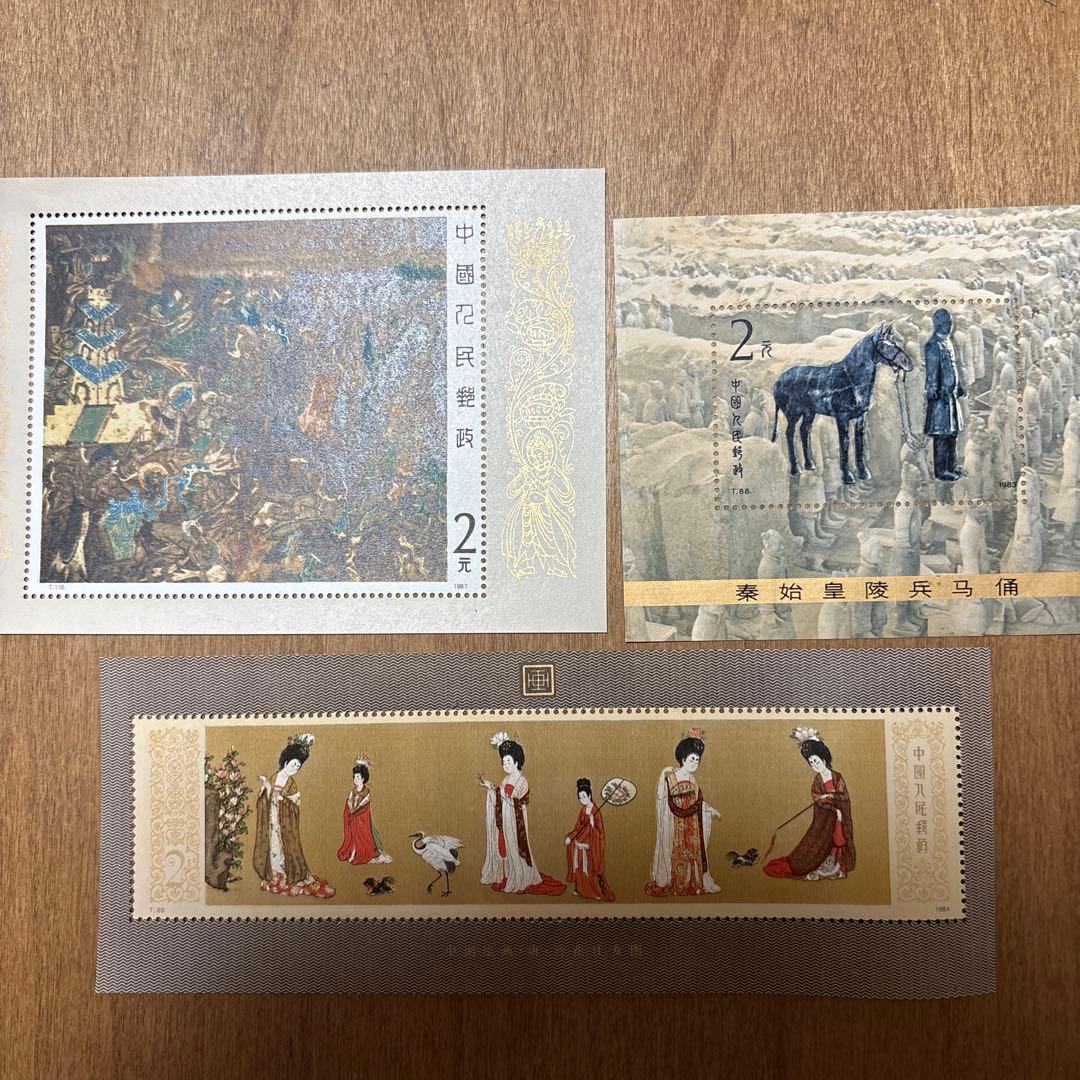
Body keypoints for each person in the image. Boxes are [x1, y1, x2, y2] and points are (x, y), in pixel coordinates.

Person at [479, 733, 566, 895]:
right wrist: (491, 788)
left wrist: (504, 794)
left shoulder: (522, 780)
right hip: (505, 818)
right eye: (503, 762)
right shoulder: (506, 779)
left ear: (516, 762)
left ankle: (520, 877)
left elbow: (515, 798)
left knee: (515, 846)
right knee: (505, 846)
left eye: (508, 761)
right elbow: (502, 794)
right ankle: (507, 874)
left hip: (515, 820)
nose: (506, 765)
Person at [764, 728, 855, 880]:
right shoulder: (817, 780)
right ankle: (817, 867)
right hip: (825, 820)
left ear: (824, 760)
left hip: (839, 817)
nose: (815, 765)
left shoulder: (836, 777)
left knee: (839, 840)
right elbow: (816, 796)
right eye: (811, 763)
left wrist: (832, 798)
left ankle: (838, 867)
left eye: (816, 761)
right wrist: (824, 800)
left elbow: (844, 797)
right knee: (818, 843)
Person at [253, 733, 335, 897]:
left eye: (298, 767)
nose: (294, 768)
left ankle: (287, 873)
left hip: (284, 822)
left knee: (284, 846)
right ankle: (275, 872)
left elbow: (295, 804)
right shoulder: (274, 777)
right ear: (286, 761)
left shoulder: (292, 784)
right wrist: (266, 789)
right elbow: (263, 799)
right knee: (272, 845)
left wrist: (283, 799)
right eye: (293, 764)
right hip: (271, 820)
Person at [645, 730, 721, 896]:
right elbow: (661, 798)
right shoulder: (670, 777)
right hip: (675, 822)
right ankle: (676, 883)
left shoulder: (693, 779)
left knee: (693, 851)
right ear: (683, 758)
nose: (694, 763)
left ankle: (694, 883)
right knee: (677, 851)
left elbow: (697, 801)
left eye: (697, 760)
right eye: (692, 759)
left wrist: (708, 809)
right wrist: (662, 777)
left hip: (692, 823)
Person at [923, 307, 967, 481]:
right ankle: (941, 471)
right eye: (947, 322)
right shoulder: (933, 344)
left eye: (951, 322)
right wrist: (932, 388)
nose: (950, 325)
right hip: (941, 398)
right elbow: (932, 370)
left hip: (951, 397)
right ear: (939, 323)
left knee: (952, 433)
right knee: (941, 435)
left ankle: (951, 466)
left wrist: (959, 385)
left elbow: (954, 366)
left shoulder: (948, 341)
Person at [564, 778, 615, 901]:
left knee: (589, 868)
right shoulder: (582, 810)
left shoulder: (596, 811)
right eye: (580, 797)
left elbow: (600, 834)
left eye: (584, 796)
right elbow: (578, 828)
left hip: (591, 846)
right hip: (580, 842)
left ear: (590, 795)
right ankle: (580, 889)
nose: (582, 799)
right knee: (579, 867)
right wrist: (570, 837)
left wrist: (592, 824)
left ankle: (595, 892)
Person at [337, 756, 392, 866]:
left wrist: (355, 813)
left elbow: (364, 807)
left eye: (358, 777)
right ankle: (353, 852)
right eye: (354, 777)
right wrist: (350, 812)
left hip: (361, 820)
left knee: (364, 837)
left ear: (363, 778)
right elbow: (348, 804)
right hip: (353, 819)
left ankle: (363, 853)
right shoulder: (352, 791)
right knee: (352, 836)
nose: (356, 779)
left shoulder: (366, 791)